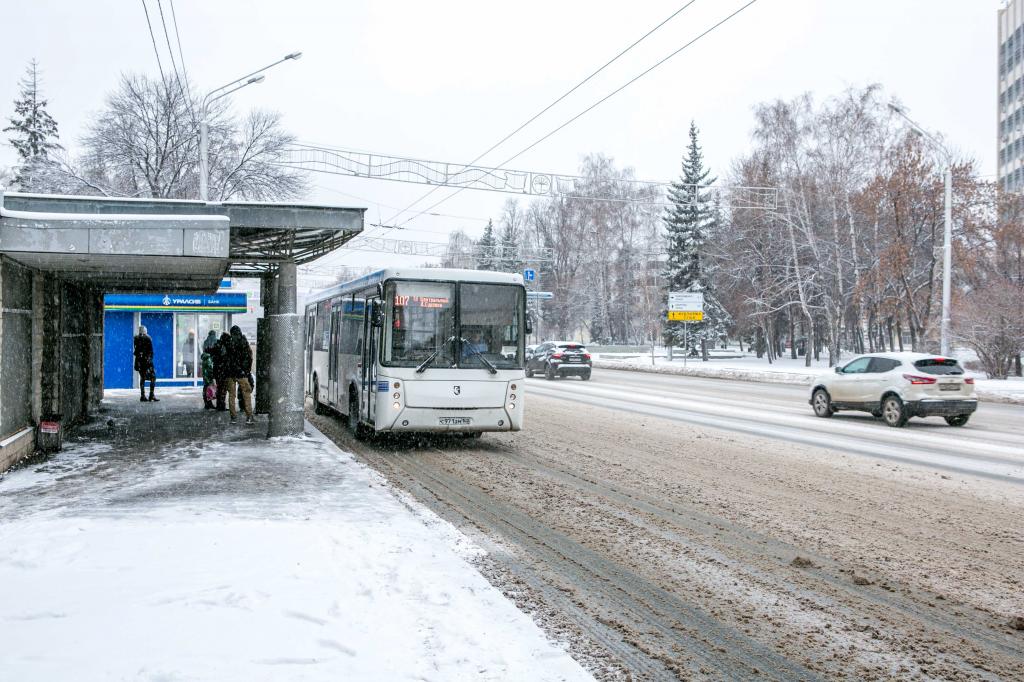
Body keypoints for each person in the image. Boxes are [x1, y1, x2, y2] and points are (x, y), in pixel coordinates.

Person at [225, 325, 254, 424]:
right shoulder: (244, 343)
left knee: (231, 396)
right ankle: (249, 416)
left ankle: (233, 417)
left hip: (230, 373)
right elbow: (248, 358)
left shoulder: (229, 343)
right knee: (246, 394)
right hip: (241, 373)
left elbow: (226, 359)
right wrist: (245, 371)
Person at [133, 326, 158, 402]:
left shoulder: (136, 339)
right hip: (147, 362)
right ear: (145, 331)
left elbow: (136, 351)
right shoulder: (148, 339)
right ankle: (151, 395)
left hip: (140, 362)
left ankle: (142, 395)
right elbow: (151, 351)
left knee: (142, 378)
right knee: (153, 377)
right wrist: (149, 360)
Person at [212, 332, 231, 411]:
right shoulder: (223, 347)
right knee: (222, 389)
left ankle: (219, 405)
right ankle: (221, 405)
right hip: (222, 371)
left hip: (218, 370)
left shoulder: (217, 345)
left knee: (220, 388)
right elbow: (224, 359)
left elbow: (214, 357)